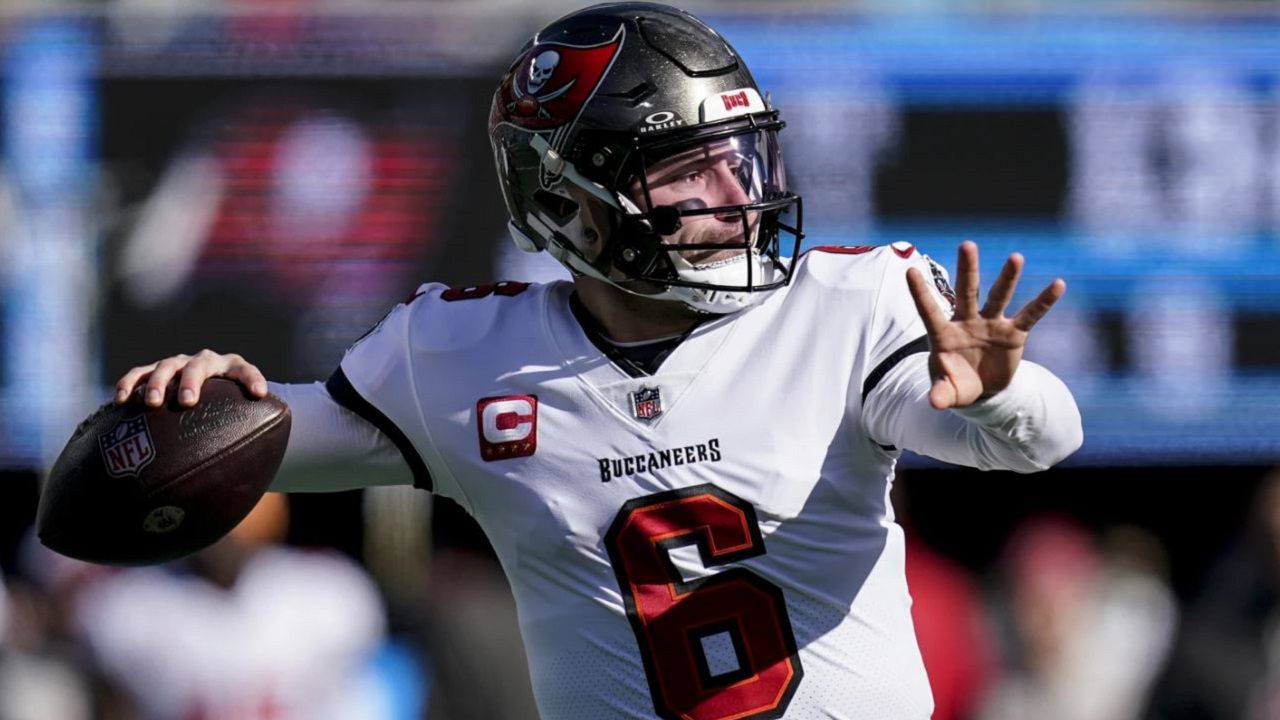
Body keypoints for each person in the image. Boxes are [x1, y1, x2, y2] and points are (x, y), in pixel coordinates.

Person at [112, 4, 1082, 718]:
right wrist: (194, 398)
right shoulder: (458, 358)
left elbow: (1038, 440)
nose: (731, 194)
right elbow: (262, 439)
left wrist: (997, 398)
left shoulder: (844, 307)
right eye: (682, 170)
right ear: (568, 204)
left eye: (737, 156)